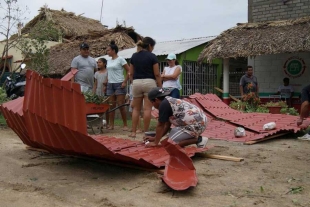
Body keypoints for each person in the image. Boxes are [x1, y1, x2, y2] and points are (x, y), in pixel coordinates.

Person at [144, 87, 208, 148]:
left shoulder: (163, 105)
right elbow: (167, 124)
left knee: (169, 144)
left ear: (156, 100)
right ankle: (190, 137)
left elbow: (160, 125)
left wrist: (155, 142)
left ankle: (199, 140)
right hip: (199, 121)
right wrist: (156, 138)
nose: (153, 105)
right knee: (167, 141)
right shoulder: (168, 101)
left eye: (152, 102)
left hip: (196, 124)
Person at [129, 37, 162, 138]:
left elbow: (131, 73)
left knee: (136, 109)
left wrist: (133, 83)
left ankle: (133, 132)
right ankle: (146, 133)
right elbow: (157, 74)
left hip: (136, 82)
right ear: (150, 46)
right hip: (149, 82)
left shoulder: (134, 56)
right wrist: (160, 87)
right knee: (147, 109)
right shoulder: (152, 57)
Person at [106, 40, 129, 130]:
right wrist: (107, 81)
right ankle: (111, 125)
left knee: (120, 104)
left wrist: (125, 81)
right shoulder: (108, 61)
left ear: (113, 50)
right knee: (111, 105)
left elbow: (129, 70)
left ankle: (125, 125)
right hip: (110, 84)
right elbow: (109, 72)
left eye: (108, 50)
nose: (107, 52)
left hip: (119, 83)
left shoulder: (121, 59)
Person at [93, 58, 109, 128]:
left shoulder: (108, 72)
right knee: (99, 108)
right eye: (97, 63)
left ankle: (108, 123)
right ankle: (100, 123)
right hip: (98, 92)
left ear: (104, 63)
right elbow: (95, 84)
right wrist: (93, 92)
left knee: (106, 108)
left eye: (100, 62)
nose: (98, 64)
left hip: (105, 92)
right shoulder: (96, 73)